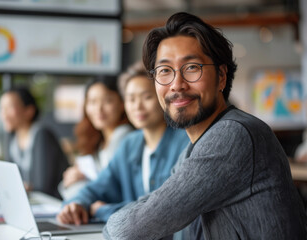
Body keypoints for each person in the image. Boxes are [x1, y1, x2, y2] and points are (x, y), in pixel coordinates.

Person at [103, 12, 307, 240]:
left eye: (191, 67)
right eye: (164, 71)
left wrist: (110, 219)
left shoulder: (233, 134)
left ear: (221, 76)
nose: (176, 85)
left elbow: (131, 229)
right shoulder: (194, 147)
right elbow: (153, 205)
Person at [56, 62, 197, 236]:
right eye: (131, 99)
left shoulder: (184, 142)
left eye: (146, 97)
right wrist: (77, 203)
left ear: (163, 97)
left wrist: (102, 210)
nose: (137, 106)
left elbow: (159, 210)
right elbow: (99, 186)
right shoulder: (130, 143)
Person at [0, 87, 69, 199]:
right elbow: (13, 178)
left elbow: (43, 187)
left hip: (52, 204)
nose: (4, 114)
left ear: (29, 111)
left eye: (9, 108)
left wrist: (23, 187)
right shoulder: (13, 141)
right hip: (31, 202)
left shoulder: (42, 135)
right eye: (2, 108)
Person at [59, 76, 133, 200]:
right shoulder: (97, 141)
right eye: (92, 102)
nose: (99, 109)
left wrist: (81, 181)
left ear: (122, 103)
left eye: (107, 101)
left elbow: (108, 190)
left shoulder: (123, 135)